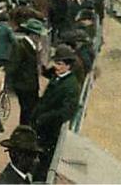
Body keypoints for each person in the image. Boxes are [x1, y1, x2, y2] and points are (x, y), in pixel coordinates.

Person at [30, 44, 81, 182]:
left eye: (59, 64)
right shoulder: (59, 77)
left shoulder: (71, 86)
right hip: (43, 127)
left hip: (52, 131)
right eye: (56, 63)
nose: (56, 67)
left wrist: (44, 117)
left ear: (68, 66)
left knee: (45, 164)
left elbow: (67, 111)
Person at [5, 18, 46, 125]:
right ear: (33, 35)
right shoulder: (21, 46)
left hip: (30, 84)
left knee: (29, 110)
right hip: (24, 85)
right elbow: (14, 65)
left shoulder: (32, 46)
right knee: (27, 111)